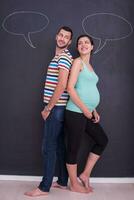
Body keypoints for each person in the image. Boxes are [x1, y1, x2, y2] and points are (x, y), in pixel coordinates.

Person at [25, 26, 73, 197]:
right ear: (56, 36)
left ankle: (44, 187)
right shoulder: (60, 57)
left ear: (69, 42)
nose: (62, 38)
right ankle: (61, 181)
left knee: (48, 148)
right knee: (59, 146)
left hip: (55, 108)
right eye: (61, 35)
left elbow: (61, 85)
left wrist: (48, 108)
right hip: (57, 108)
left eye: (66, 37)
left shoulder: (64, 58)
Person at [64, 34, 108, 193]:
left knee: (102, 140)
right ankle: (74, 184)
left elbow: (87, 89)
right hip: (75, 111)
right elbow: (70, 88)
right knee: (73, 148)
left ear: (92, 46)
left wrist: (94, 110)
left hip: (87, 112)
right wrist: (85, 110)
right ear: (77, 47)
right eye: (80, 43)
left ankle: (85, 174)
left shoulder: (90, 66)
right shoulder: (77, 62)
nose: (83, 45)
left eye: (86, 42)